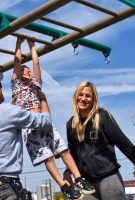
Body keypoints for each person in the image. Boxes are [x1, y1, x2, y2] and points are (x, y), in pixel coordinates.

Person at [11, 33, 95, 200]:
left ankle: (79, 179)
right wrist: (19, 43)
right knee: (47, 157)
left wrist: (32, 45)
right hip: (30, 128)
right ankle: (64, 186)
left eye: (27, 70)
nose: (25, 71)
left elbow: (36, 62)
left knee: (63, 149)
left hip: (45, 123)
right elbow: (17, 61)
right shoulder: (16, 85)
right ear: (18, 75)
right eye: (22, 70)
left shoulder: (36, 84)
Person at [65, 81, 135, 200]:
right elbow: (72, 156)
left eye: (88, 96)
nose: (83, 98)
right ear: (76, 96)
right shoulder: (71, 125)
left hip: (108, 178)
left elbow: (127, 147)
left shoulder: (102, 117)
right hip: (85, 183)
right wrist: (67, 173)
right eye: (81, 94)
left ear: (93, 99)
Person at [0, 72, 52, 200]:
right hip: (5, 186)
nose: (2, 89)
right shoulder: (10, 112)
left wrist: (13, 109)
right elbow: (45, 121)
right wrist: (42, 97)